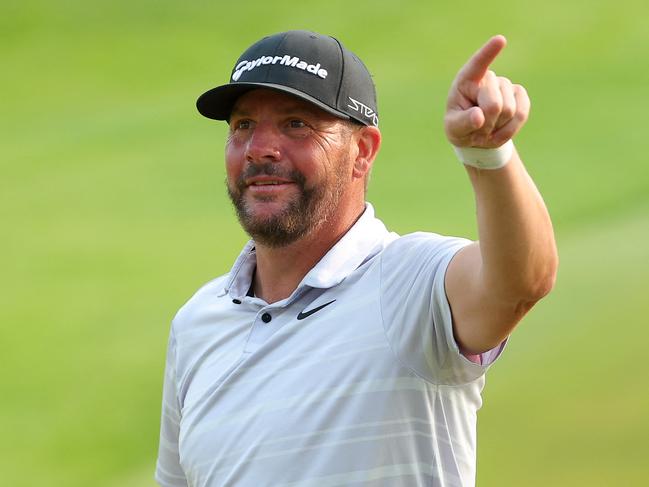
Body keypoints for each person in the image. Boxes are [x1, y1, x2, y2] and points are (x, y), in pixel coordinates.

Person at [155, 30, 558, 487]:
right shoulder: (197, 323)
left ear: (361, 153)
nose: (259, 148)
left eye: (296, 125)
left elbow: (522, 282)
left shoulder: (408, 281)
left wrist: (487, 155)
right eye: (242, 125)